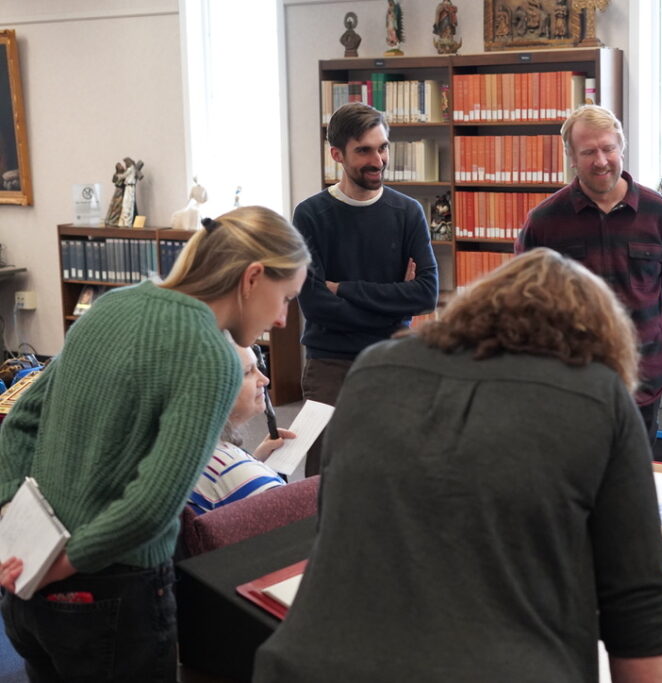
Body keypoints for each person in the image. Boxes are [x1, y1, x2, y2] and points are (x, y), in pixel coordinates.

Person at [254, 248, 662, 682]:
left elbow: (338, 523)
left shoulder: (373, 369)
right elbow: (638, 603)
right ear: (600, 340)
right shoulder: (598, 395)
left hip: (308, 665)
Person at [0, 206, 309, 682]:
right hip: (112, 595)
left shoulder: (113, 303)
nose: (284, 319)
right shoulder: (211, 354)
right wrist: (68, 563)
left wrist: (15, 527)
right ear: (252, 277)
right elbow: (153, 505)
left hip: (28, 586)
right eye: (286, 298)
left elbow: (19, 422)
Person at [516, 104, 662, 450]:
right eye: (588, 151)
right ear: (572, 158)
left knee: (640, 482)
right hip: (573, 382)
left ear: (621, 148)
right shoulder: (545, 221)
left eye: (608, 148)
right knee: (580, 485)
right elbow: (526, 298)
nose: (601, 160)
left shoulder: (660, 215)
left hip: (643, 373)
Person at [293, 101, 438, 476]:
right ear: (337, 154)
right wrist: (392, 303)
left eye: (383, 147)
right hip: (331, 364)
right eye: (364, 150)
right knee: (326, 476)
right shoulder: (310, 214)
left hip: (392, 359)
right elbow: (316, 305)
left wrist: (343, 288)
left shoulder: (408, 212)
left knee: (392, 471)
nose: (378, 160)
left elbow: (425, 293)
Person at [187, 343, 297, 514]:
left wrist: (255, 461)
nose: (265, 380)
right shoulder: (230, 471)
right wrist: (251, 472)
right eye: (248, 372)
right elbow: (301, 526)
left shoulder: (185, 446)